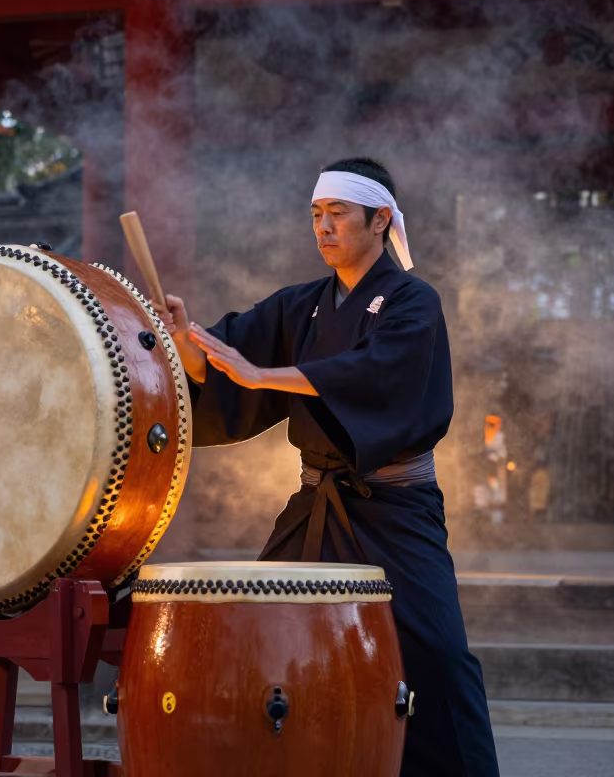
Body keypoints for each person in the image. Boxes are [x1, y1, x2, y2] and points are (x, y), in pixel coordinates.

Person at [153, 157, 500, 776]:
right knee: (258, 634)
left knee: (438, 657)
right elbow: (236, 356)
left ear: (380, 220)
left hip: (395, 509)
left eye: (338, 213)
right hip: (317, 506)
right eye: (316, 214)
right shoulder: (303, 306)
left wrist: (263, 373)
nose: (323, 226)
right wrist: (195, 354)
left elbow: (373, 371)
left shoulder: (414, 303)